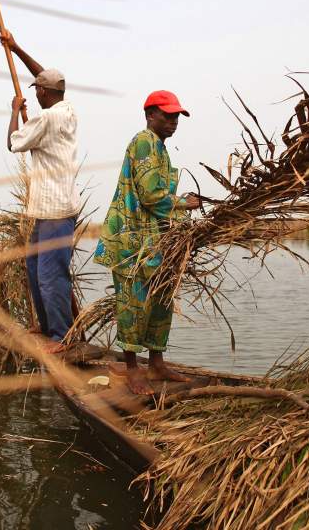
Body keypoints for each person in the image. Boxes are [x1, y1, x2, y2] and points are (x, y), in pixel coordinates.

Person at [93, 90, 200, 394]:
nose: (173, 121)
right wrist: (184, 203)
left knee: (159, 301)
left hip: (154, 241)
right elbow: (151, 196)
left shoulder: (160, 148)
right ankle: (131, 369)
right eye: (167, 115)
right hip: (132, 239)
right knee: (133, 303)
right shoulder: (144, 141)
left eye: (176, 116)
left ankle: (156, 362)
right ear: (150, 115)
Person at [1, 29, 80, 354]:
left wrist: (14, 109)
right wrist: (16, 48)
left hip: (54, 211)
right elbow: (45, 77)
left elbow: (13, 143)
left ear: (45, 95)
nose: (34, 94)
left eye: (37, 92)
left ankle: (59, 337)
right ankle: (47, 326)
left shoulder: (47, 119)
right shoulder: (67, 108)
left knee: (49, 275)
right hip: (49, 209)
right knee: (34, 268)